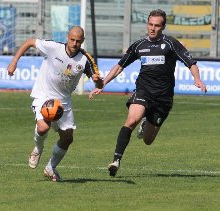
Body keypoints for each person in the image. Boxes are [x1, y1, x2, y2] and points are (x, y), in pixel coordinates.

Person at [89, 9, 207, 177]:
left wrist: (197, 79)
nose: (152, 28)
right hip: (143, 90)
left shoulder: (171, 44)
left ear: (163, 26)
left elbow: (191, 63)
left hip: (163, 97)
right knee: (131, 120)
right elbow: (119, 66)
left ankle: (146, 124)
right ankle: (116, 160)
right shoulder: (139, 45)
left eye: (157, 25)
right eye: (150, 24)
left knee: (148, 140)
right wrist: (103, 84)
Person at [7, 26, 103, 182]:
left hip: (64, 101)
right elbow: (30, 42)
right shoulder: (53, 48)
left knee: (67, 138)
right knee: (43, 127)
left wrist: (98, 84)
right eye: (72, 39)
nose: (74, 43)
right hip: (44, 95)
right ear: (67, 37)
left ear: (82, 41)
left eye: (78, 41)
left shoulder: (86, 59)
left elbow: (98, 81)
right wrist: (14, 62)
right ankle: (38, 149)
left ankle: (50, 168)